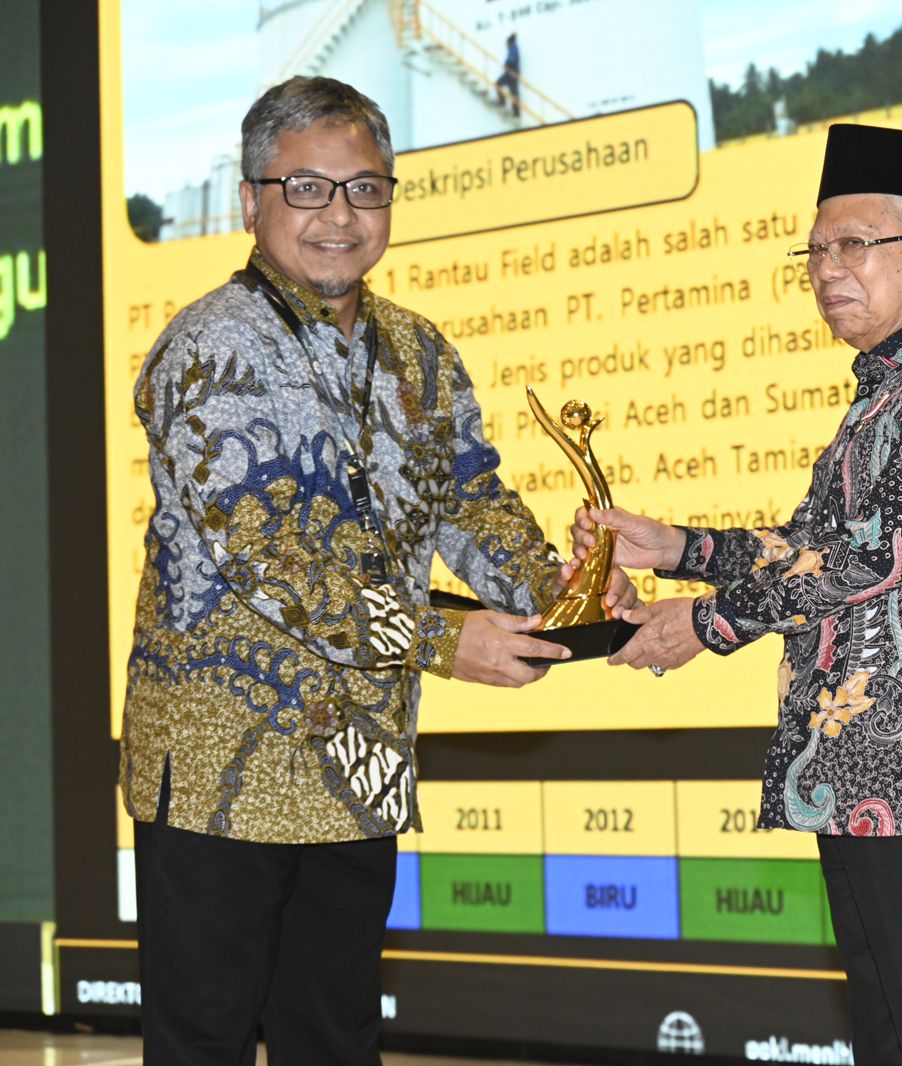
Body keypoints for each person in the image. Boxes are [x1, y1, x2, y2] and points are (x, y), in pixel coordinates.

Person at [121, 76, 632, 1064]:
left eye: (364, 189)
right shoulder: (212, 346)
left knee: (336, 1039)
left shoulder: (418, 351)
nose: (340, 216)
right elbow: (274, 556)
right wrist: (445, 639)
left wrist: (568, 594)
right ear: (251, 200)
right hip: (226, 775)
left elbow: (472, 502)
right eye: (307, 188)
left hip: (355, 764)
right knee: (203, 1043)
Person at [572, 123, 902, 1066]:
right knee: (899, 1042)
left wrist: (704, 626)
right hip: (867, 776)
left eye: (856, 245)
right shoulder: (886, 391)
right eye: (817, 250)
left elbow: (878, 549)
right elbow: (815, 545)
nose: (829, 269)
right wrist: (676, 546)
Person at [494, 32, 520, 116]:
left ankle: (516, 113)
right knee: (499, 84)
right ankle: (503, 102)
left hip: (512, 72)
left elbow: (512, 58)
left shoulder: (513, 47)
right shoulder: (512, 47)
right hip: (509, 72)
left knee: (513, 92)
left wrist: (507, 64)